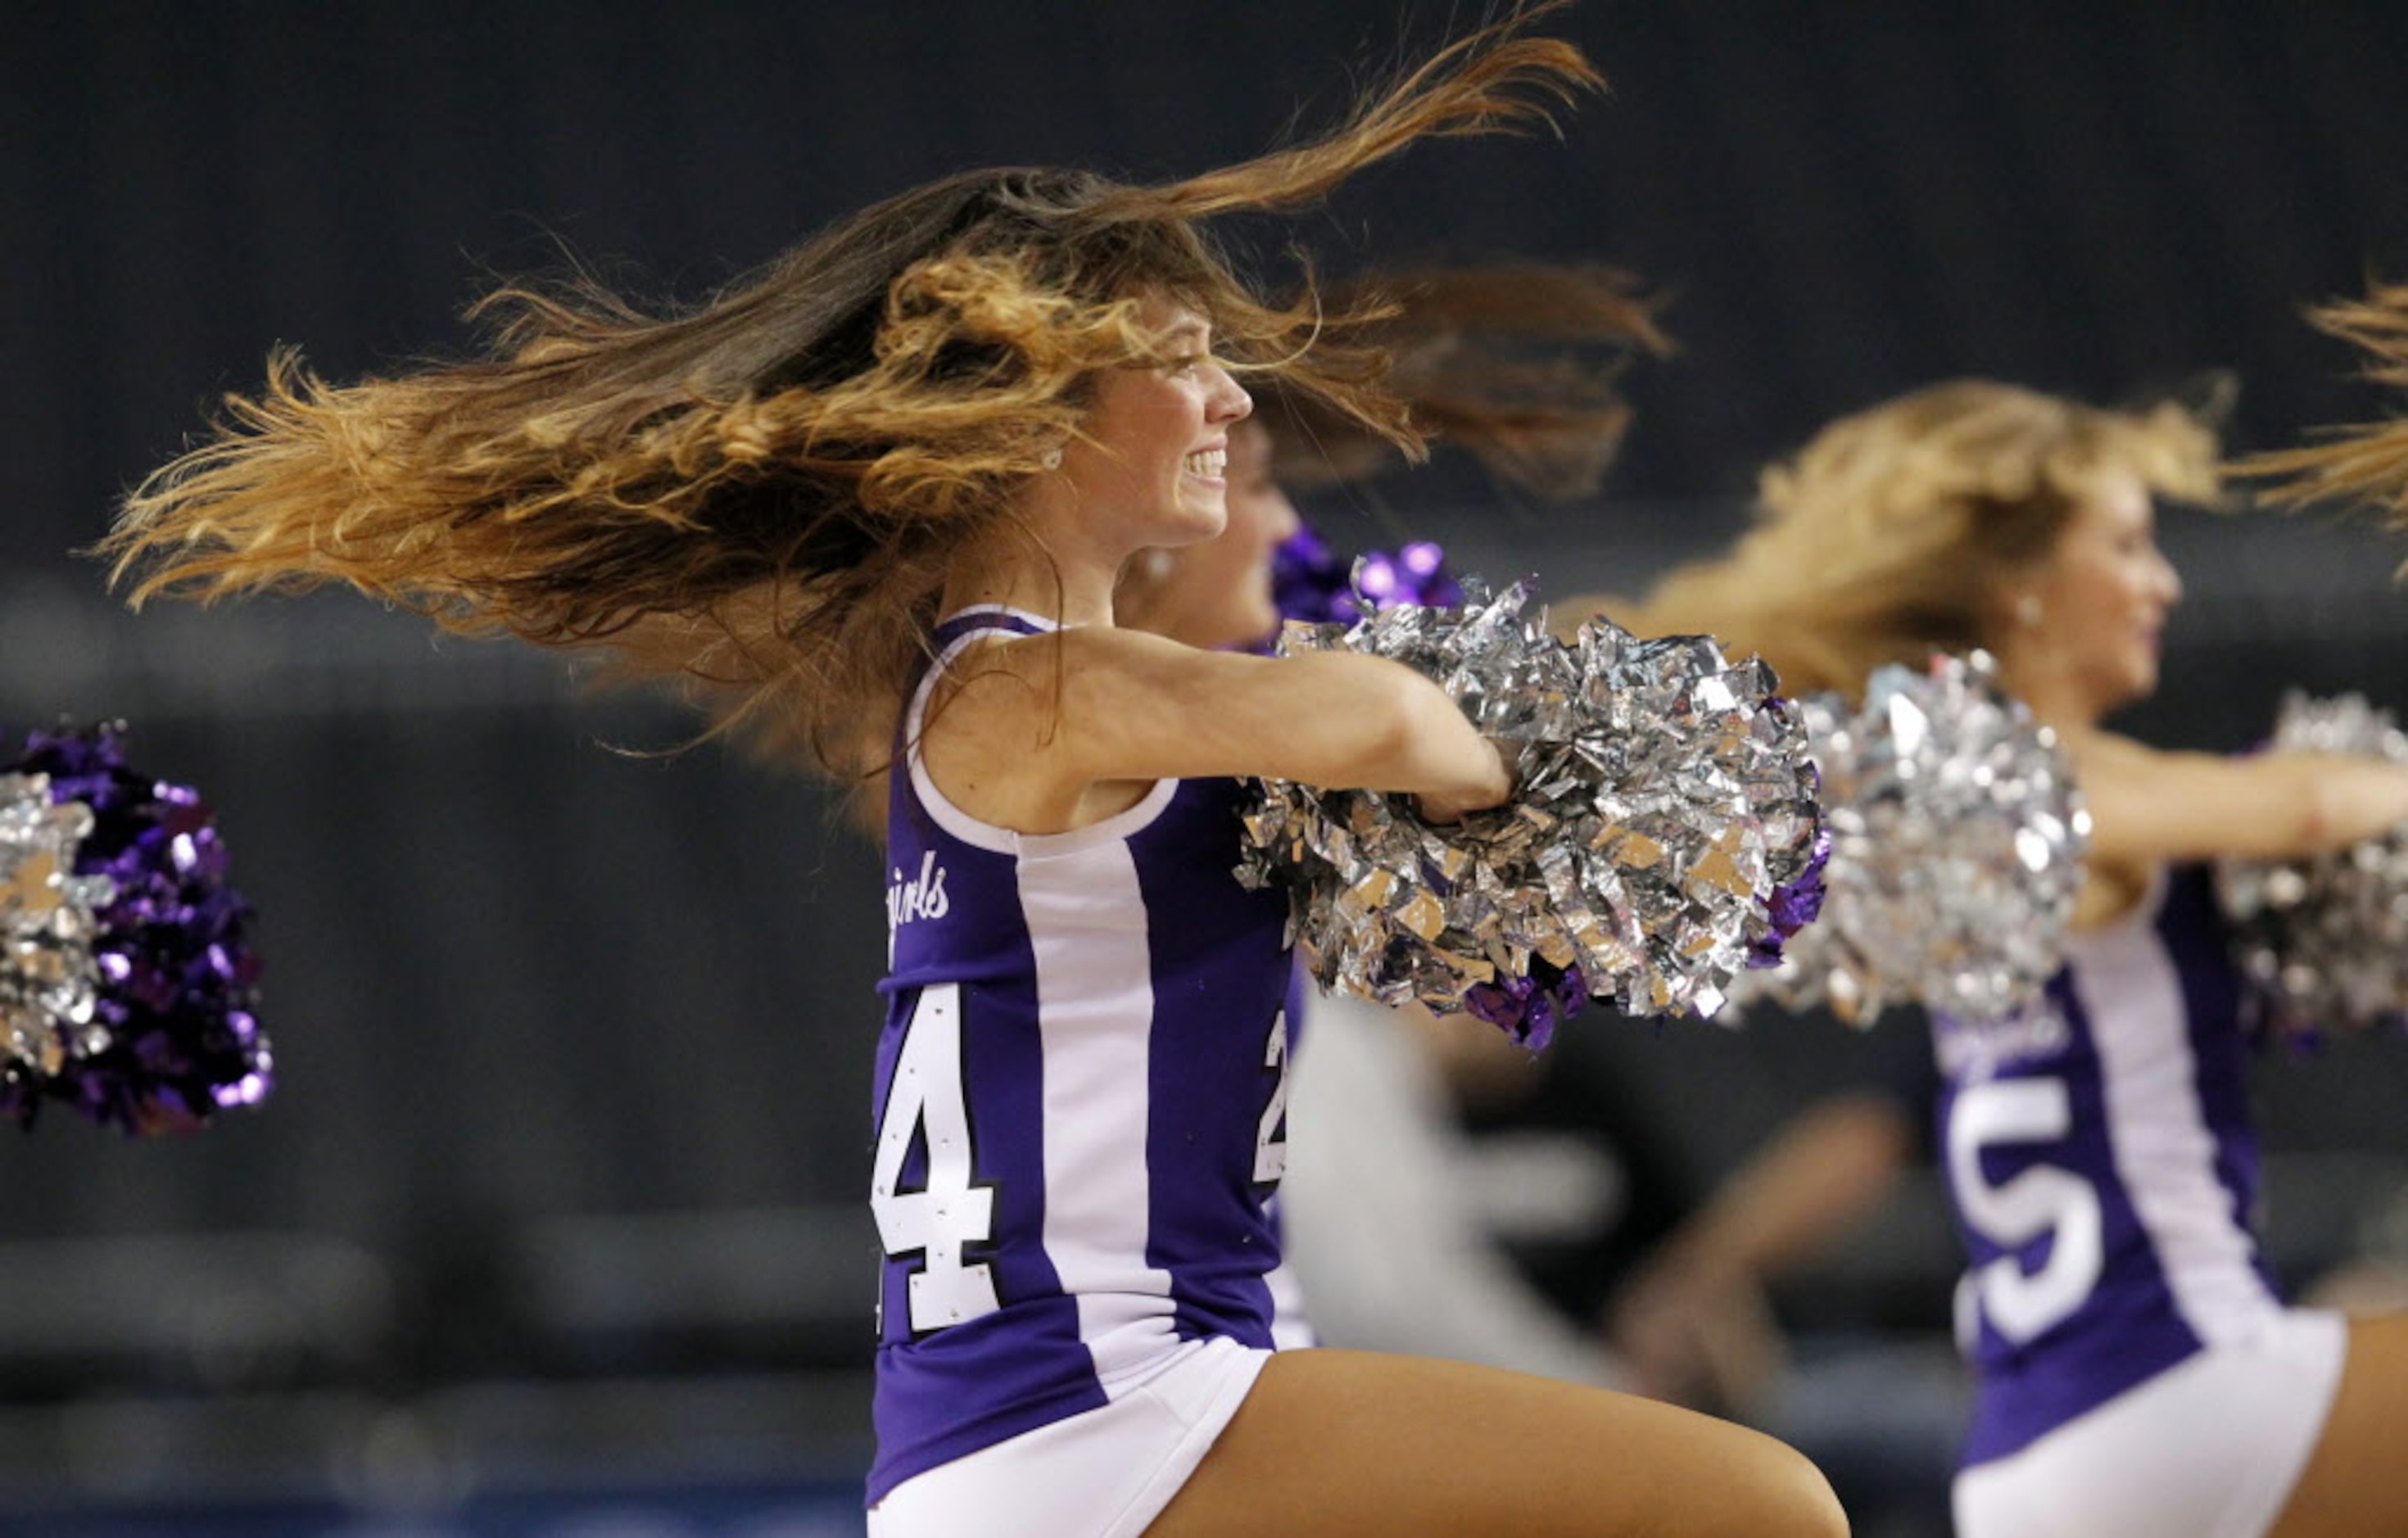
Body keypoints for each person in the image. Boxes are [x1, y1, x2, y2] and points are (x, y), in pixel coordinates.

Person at [99, 12, 1848, 1538]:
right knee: (1767, 1504)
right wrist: (1536, 758)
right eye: (1177, 361)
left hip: (1081, 1429)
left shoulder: (1040, 694)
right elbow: (1376, 728)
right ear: (1045, 406)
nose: (1230, 402)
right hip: (1103, 1412)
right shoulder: (1036, 692)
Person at [1620, 378, 2408, 1538]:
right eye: (2132, 546)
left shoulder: (1958, 806)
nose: (2165, 583)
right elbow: (2298, 807)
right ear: (2020, 586)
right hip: (2187, 1394)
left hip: (2038, 1454)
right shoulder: (2052, 786)